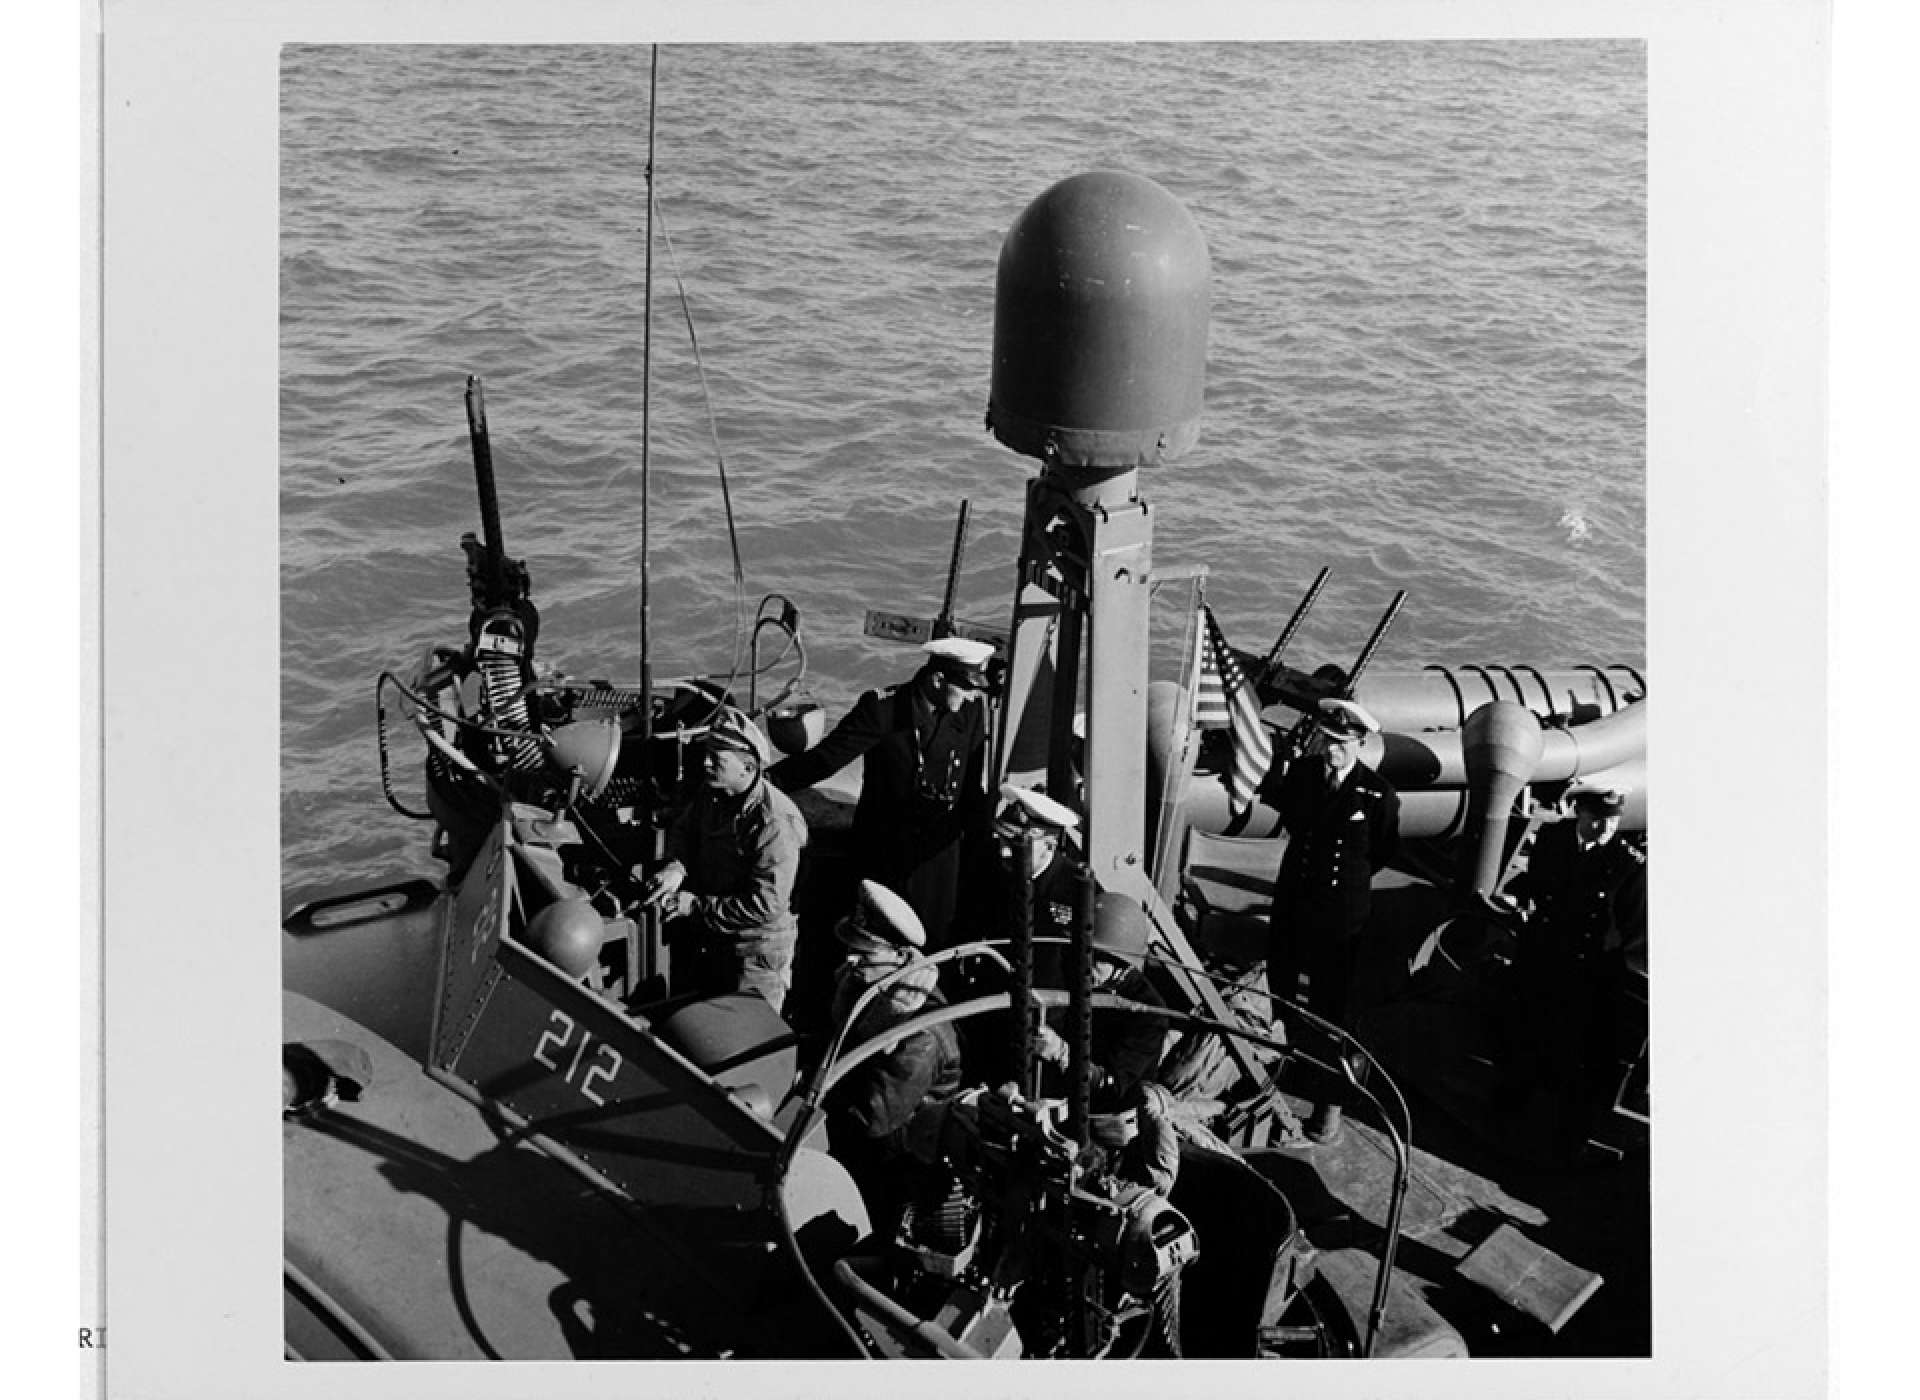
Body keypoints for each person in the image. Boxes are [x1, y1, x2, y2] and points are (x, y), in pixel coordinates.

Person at [768, 636, 993, 949]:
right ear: (938, 679)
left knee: (932, 941)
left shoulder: (969, 712)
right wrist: (766, 782)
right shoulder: (884, 709)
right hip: (886, 847)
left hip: (936, 858)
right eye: (966, 687)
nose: (971, 697)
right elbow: (827, 759)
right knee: (875, 942)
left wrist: (985, 842)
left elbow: (969, 788)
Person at [1265, 696, 1400, 1144]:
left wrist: (1339, 893)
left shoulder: (1377, 793)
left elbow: (1380, 852)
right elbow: (1283, 811)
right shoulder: (1303, 776)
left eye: (1342, 743)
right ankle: (1270, 1074)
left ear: (1360, 743)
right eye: (1328, 740)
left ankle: (1328, 1105)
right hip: (1294, 904)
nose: (1331, 750)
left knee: (1330, 1011)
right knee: (1278, 992)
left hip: (1340, 917)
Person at [1496, 784, 1647, 1162]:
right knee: (1522, 1037)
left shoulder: (1627, 864)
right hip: (1541, 959)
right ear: (1580, 813)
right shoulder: (1552, 838)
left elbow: (1633, 929)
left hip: (1588, 973)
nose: (1605, 830)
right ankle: (1507, 1112)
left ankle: (1567, 1142)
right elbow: (1538, 885)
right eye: (1597, 820)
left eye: (1612, 822)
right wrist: (1517, 900)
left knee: (1578, 1061)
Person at [639, 707, 807, 1013]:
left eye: (717, 759)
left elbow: (766, 904)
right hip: (718, 940)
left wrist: (696, 906)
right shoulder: (714, 792)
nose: (705, 763)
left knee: (751, 1040)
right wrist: (677, 865)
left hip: (756, 952)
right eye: (708, 754)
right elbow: (685, 829)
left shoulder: (774, 824)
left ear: (747, 767)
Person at [824, 879, 967, 1231]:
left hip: (897, 1160)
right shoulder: (868, 985)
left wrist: (815, 1098)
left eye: (865, 954)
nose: (850, 959)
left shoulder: (921, 1034)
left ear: (900, 957)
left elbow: (877, 1119)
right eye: (851, 946)